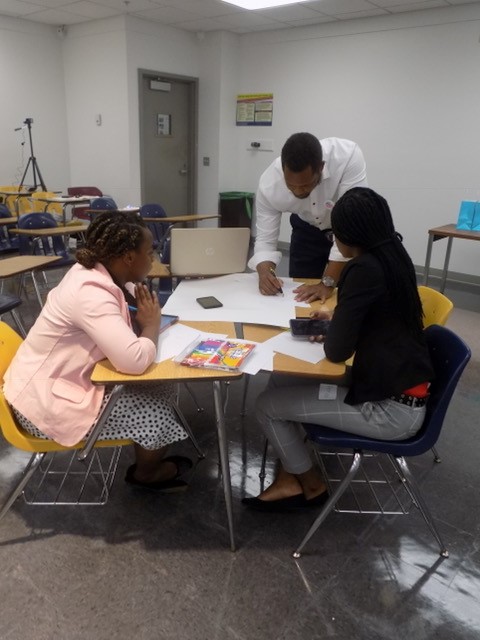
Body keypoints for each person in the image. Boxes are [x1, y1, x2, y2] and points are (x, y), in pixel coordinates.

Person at [243, 187, 434, 512]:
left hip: (391, 410)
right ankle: (290, 472)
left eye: (334, 235)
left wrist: (337, 326)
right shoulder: (394, 254)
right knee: (281, 380)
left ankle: (310, 485)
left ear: (349, 236)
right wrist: (339, 319)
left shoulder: (361, 270)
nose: (334, 241)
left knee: (266, 406)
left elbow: (336, 352)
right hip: (392, 384)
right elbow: (380, 317)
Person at [4, 211, 191, 493]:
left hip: (49, 381)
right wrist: (152, 325)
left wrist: (142, 316)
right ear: (128, 257)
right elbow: (134, 361)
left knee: (162, 385)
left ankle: (147, 458)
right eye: (149, 252)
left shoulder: (100, 274)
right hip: (40, 405)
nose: (153, 259)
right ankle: (146, 474)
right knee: (157, 411)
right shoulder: (90, 293)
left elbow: (122, 312)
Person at [248, 132, 367, 303]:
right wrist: (265, 272)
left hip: (346, 230)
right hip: (307, 229)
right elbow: (265, 239)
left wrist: (327, 283)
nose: (298, 191)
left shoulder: (347, 156)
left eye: (305, 185)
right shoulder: (269, 184)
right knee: (302, 292)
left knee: (348, 292)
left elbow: (351, 227)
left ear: (321, 167)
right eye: (291, 186)